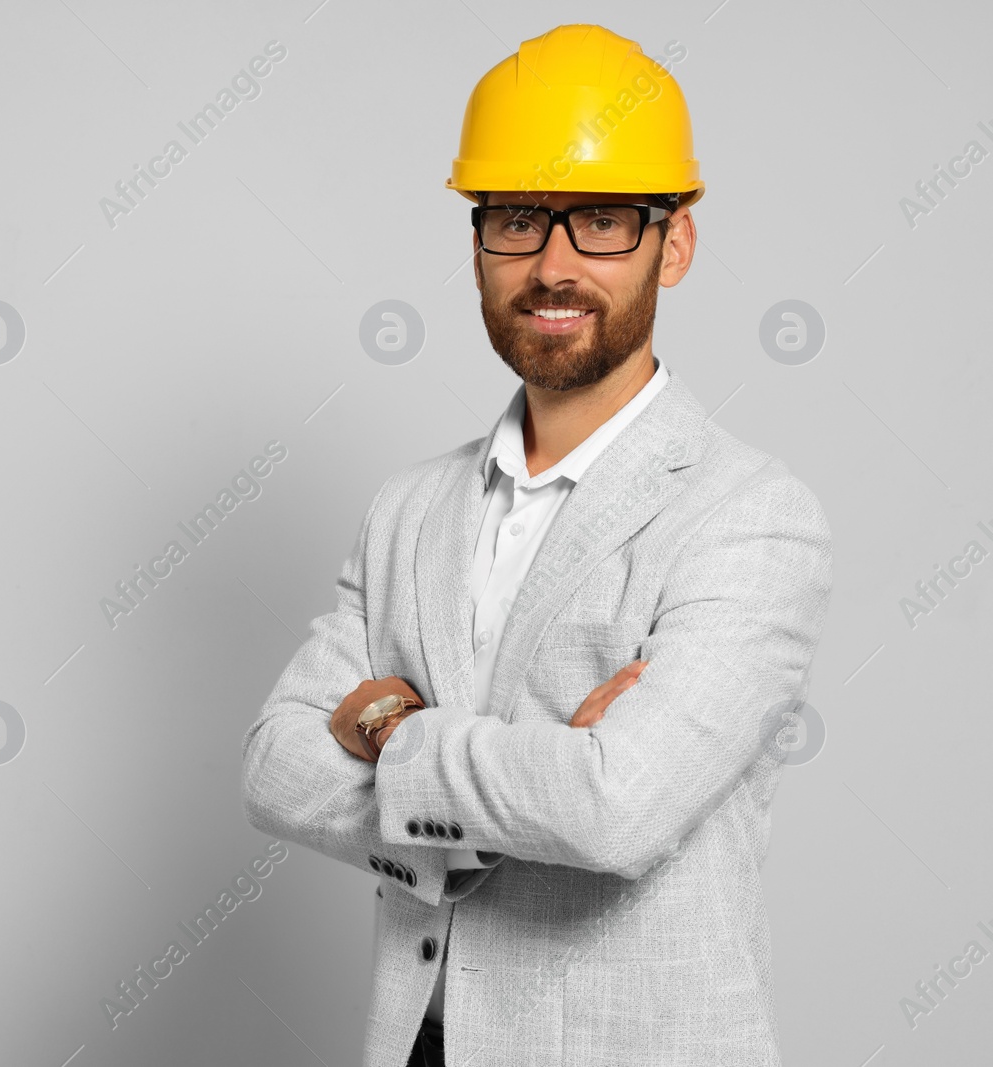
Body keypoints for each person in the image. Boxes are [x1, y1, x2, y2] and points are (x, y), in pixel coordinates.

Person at [241, 24, 833, 1066]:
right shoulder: (406, 510)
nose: (553, 265)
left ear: (674, 242)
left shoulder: (749, 514)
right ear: (476, 243)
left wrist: (394, 729)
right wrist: (543, 766)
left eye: (600, 220)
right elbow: (277, 766)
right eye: (517, 219)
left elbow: (614, 807)